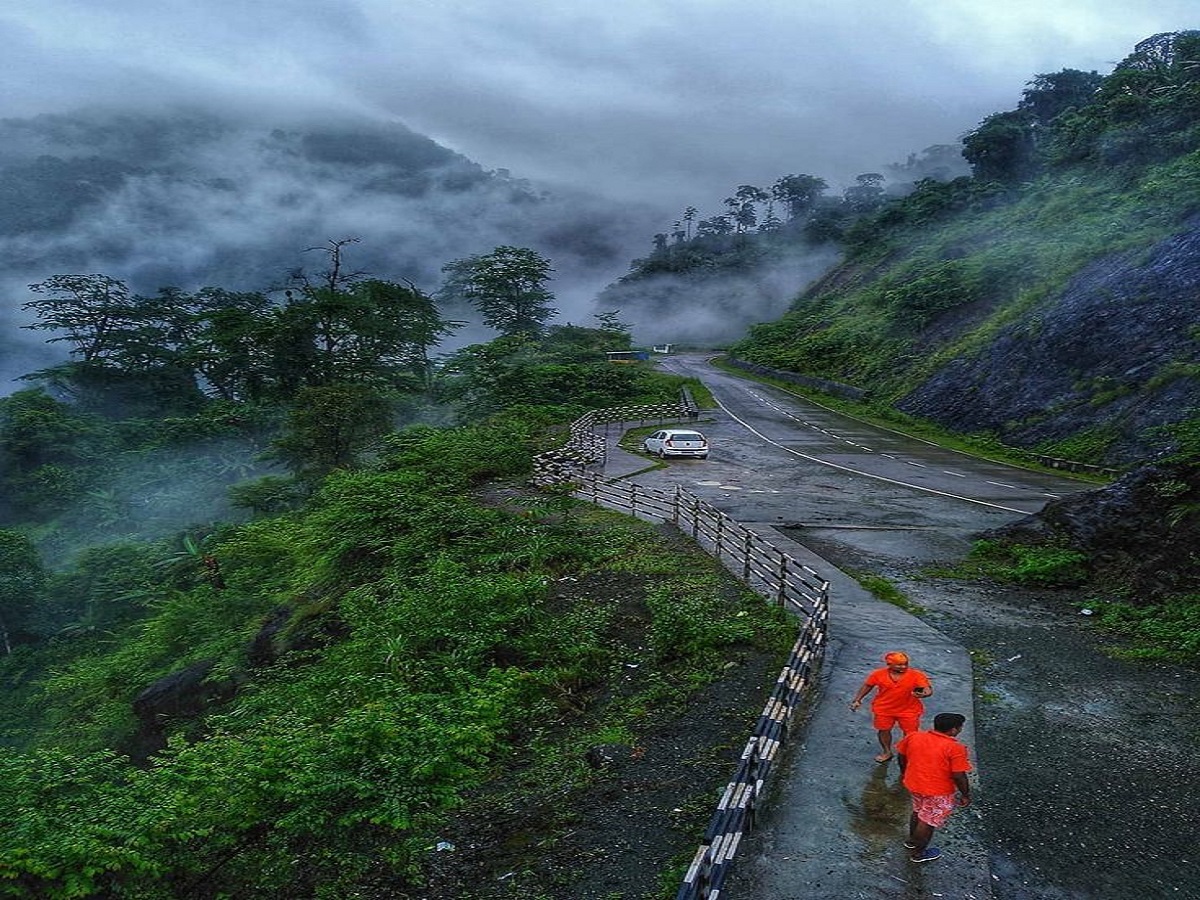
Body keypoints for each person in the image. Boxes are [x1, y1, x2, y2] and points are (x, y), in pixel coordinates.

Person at [896, 712, 973, 864]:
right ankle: (918, 853)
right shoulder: (955, 748)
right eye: (960, 727)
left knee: (918, 811)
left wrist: (905, 773)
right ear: (953, 730)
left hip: (914, 783)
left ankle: (911, 841)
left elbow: (901, 755)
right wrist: (965, 794)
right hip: (938, 791)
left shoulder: (914, 736)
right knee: (927, 821)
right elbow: (958, 775)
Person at [848, 651, 933, 762]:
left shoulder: (916, 675)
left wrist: (926, 693)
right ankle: (887, 752)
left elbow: (927, 688)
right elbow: (868, 686)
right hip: (884, 709)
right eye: (899, 664)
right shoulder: (878, 674)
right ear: (889, 664)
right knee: (884, 730)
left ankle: (907, 752)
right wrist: (857, 700)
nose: (903, 667)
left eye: (905, 664)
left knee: (911, 734)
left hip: (909, 710)